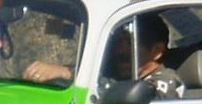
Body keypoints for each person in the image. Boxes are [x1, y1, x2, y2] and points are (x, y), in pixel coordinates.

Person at [23, 13, 184, 99]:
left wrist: (68, 73)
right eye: (117, 43)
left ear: (156, 51)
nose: (119, 51)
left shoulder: (167, 81)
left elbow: (140, 97)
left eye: (129, 43)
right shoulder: (117, 73)